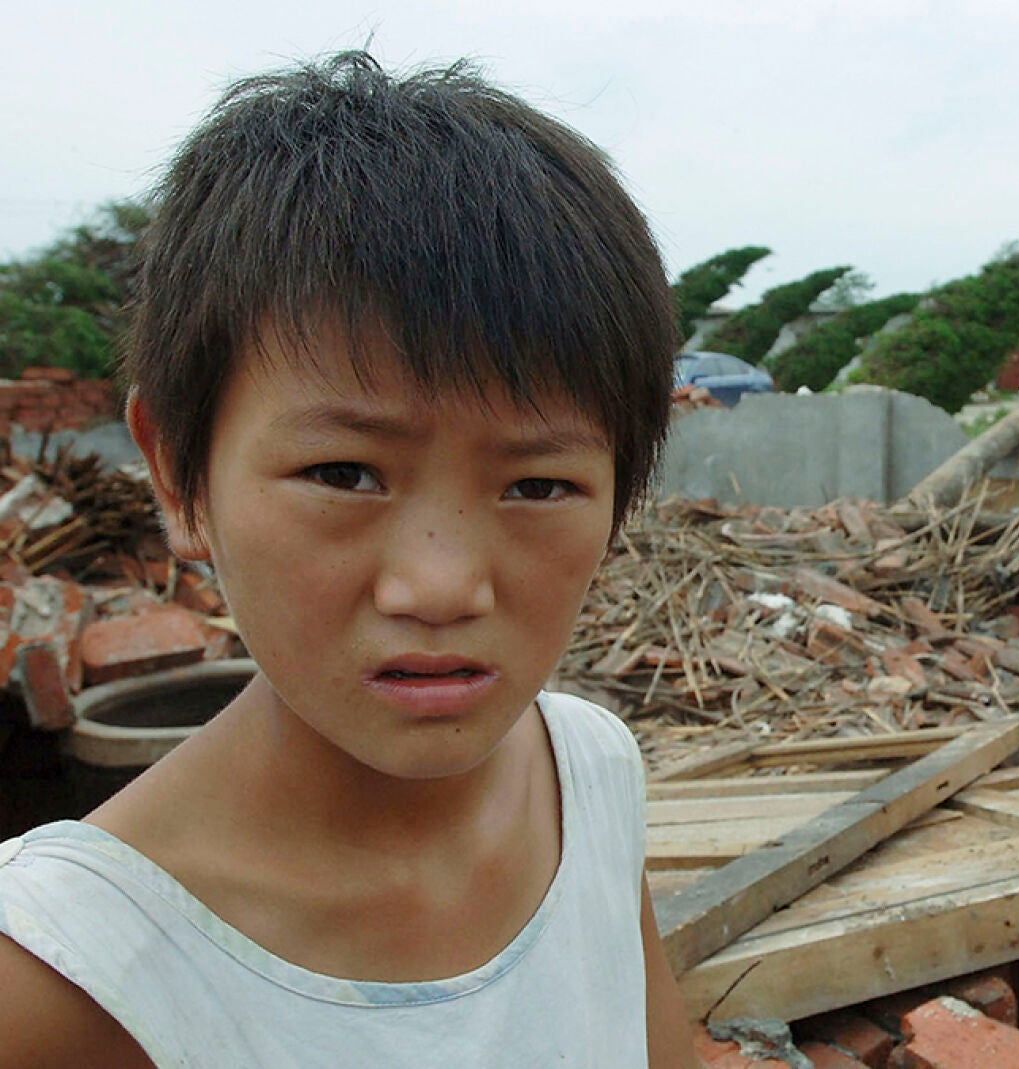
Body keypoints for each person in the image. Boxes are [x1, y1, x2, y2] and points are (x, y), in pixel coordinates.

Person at [0, 51, 699, 1067]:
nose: (440, 585)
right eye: (342, 472)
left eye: (538, 485)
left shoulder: (590, 775)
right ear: (177, 475)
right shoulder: (62, 971)